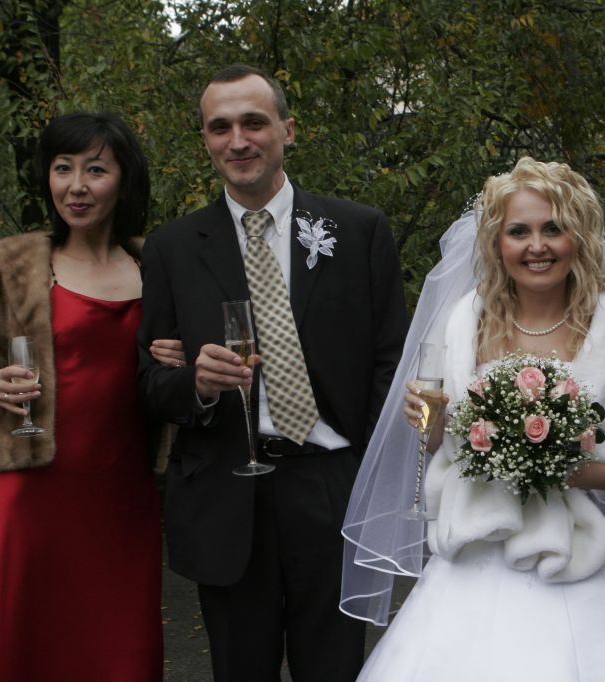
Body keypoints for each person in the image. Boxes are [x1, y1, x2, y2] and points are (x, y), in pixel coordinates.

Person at [341, 157, 605, 681]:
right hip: (471, 555)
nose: (536, 246)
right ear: (496, 242)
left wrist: (549, 465)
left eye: (553, 229)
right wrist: (431, 424)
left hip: (571, 558)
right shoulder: (466, 321)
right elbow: (442, 445)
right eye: (519, 231)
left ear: (578, 237)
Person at [136, 64, 407, 682]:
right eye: (220, 127)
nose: (238, 140)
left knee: (335, 670)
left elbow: (390, 361)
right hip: (227, 491)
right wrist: (196, 385)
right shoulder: (172, 249)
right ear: (206, 139)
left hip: (332, 487)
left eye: (253, 122)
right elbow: (148, 382)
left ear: (288, 129)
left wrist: (366, 476)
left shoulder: (358, 231)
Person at [0, 112, 183, 681]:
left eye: (95, 170)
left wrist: (178, 359)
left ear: (124, 179)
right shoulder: (16, 260)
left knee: (118, 648)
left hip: (121, 495)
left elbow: (182, 372)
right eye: (62, 168)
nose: (76, 186)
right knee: (30, 642)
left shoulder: (157, 264)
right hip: (32, 492)